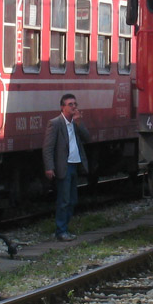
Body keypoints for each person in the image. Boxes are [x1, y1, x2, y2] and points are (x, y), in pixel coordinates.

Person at [43, 93, 90, 241]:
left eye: (75, 104)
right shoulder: (55, 123)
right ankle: (61, 231)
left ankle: (65, 229)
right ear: (62, 107)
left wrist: (79, 124)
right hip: (64, 166)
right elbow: (48, 147)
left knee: (73, 200)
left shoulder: (75, 123)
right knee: (63, 200)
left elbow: (87, 138)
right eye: (70, 104)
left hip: (75, 164)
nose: (74, 107)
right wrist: (49, 167)